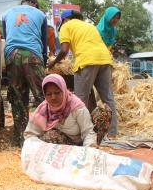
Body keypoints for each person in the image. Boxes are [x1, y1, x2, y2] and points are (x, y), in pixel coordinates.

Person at [49, 10, 118, 139]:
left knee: (80, 99)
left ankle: (83, 134)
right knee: (107, 98)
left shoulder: (66, 26)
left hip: (86, 61)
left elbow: (64, 51)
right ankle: (112, 133)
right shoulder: (89, 26)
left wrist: (53, 63)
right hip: (104, 59)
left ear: (65, 20)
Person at [2, 0, 47, 147]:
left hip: (12, 56)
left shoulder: (7, 13)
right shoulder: (40, 14)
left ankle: (20, 138)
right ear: (35, 5)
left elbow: (7, 37)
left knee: (18, 99)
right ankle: (46, 136)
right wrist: (44, 62)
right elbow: (44, 40)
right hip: (32, 55)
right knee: (43, 96)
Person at [24, 74, 111, 146]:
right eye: (49, 94)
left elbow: (88, 131)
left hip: (83, 144)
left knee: (103, 112)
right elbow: (30, 134)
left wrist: (88, 151)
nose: (53, 97)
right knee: (51, 136)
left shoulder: (76, 106)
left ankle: (94, 147)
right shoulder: (43, 110)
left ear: (64, 91)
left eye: (57, 93)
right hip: (64, 148)